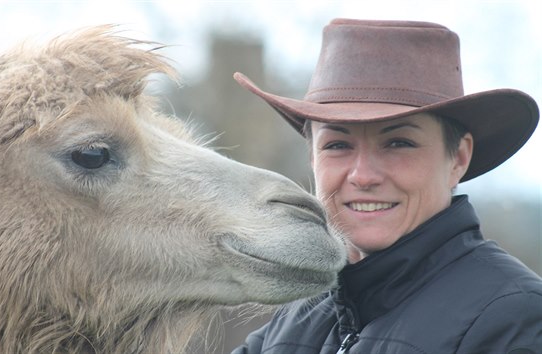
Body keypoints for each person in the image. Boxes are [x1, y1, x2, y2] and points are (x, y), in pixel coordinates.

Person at [231, 18, 542, 354]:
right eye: (337, 145)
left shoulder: (512, 317)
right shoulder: (294, 317)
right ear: (312, 158)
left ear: (458, 158)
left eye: (398, 143)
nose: (363, 176)